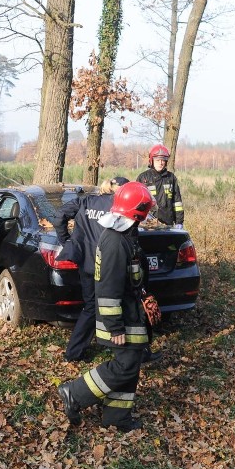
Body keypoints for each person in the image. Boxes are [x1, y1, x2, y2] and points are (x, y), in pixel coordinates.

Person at [56, 182, 156, 433]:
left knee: (130, 363)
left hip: (130, 312)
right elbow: (107, 287)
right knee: (125, 365)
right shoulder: (115, 241)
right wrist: (114, 327)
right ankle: (75, 393)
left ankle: (117, 417)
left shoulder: (125, 234)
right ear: (137, 212)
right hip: (119, 318)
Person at [53, 176, 129, 362]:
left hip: (87, 263)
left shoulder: (86, 200)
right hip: (109, 264)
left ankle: (74, 352)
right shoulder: (119, 206)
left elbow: (58, 217)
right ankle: (130, 351)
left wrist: (67, 242)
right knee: (121, 304)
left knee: (91, 307)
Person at [137, 144, 184, 228]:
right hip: (148, 224)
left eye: (163, 160)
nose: (161, 163)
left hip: (168, 224)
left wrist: (179, 221)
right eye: (158, 160)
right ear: (151, 161)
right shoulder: (143, 178)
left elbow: (177, 202)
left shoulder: (171, 178)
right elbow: (137, 202)